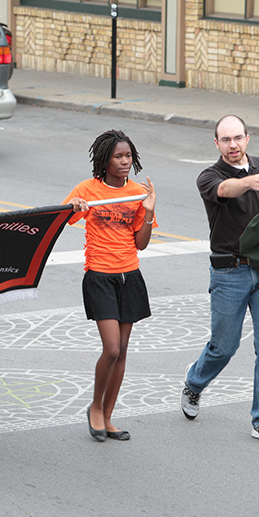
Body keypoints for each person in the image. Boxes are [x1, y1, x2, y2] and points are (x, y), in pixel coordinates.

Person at [181, 114, 259, 445]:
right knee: (224, 347)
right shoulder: (209, 175)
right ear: (217, 143)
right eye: (225, 140)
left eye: (238, 138)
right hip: (229, 271)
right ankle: (195, 383)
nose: (233, 145)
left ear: (248, 138)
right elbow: (224, 189)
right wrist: (248, 181)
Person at [63, 129, 156, 442]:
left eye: (128, 156)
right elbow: (63, 219)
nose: (125, 161)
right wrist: (73, 206)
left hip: (129, 276)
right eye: (118, 156)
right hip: (99, 276)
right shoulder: (88, 189)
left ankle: (109, 414)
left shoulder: (137, 194)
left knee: (124, 351)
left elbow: (141, 243)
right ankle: (95, 407)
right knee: (112, 348)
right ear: (104, 160)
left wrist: (150, 211)